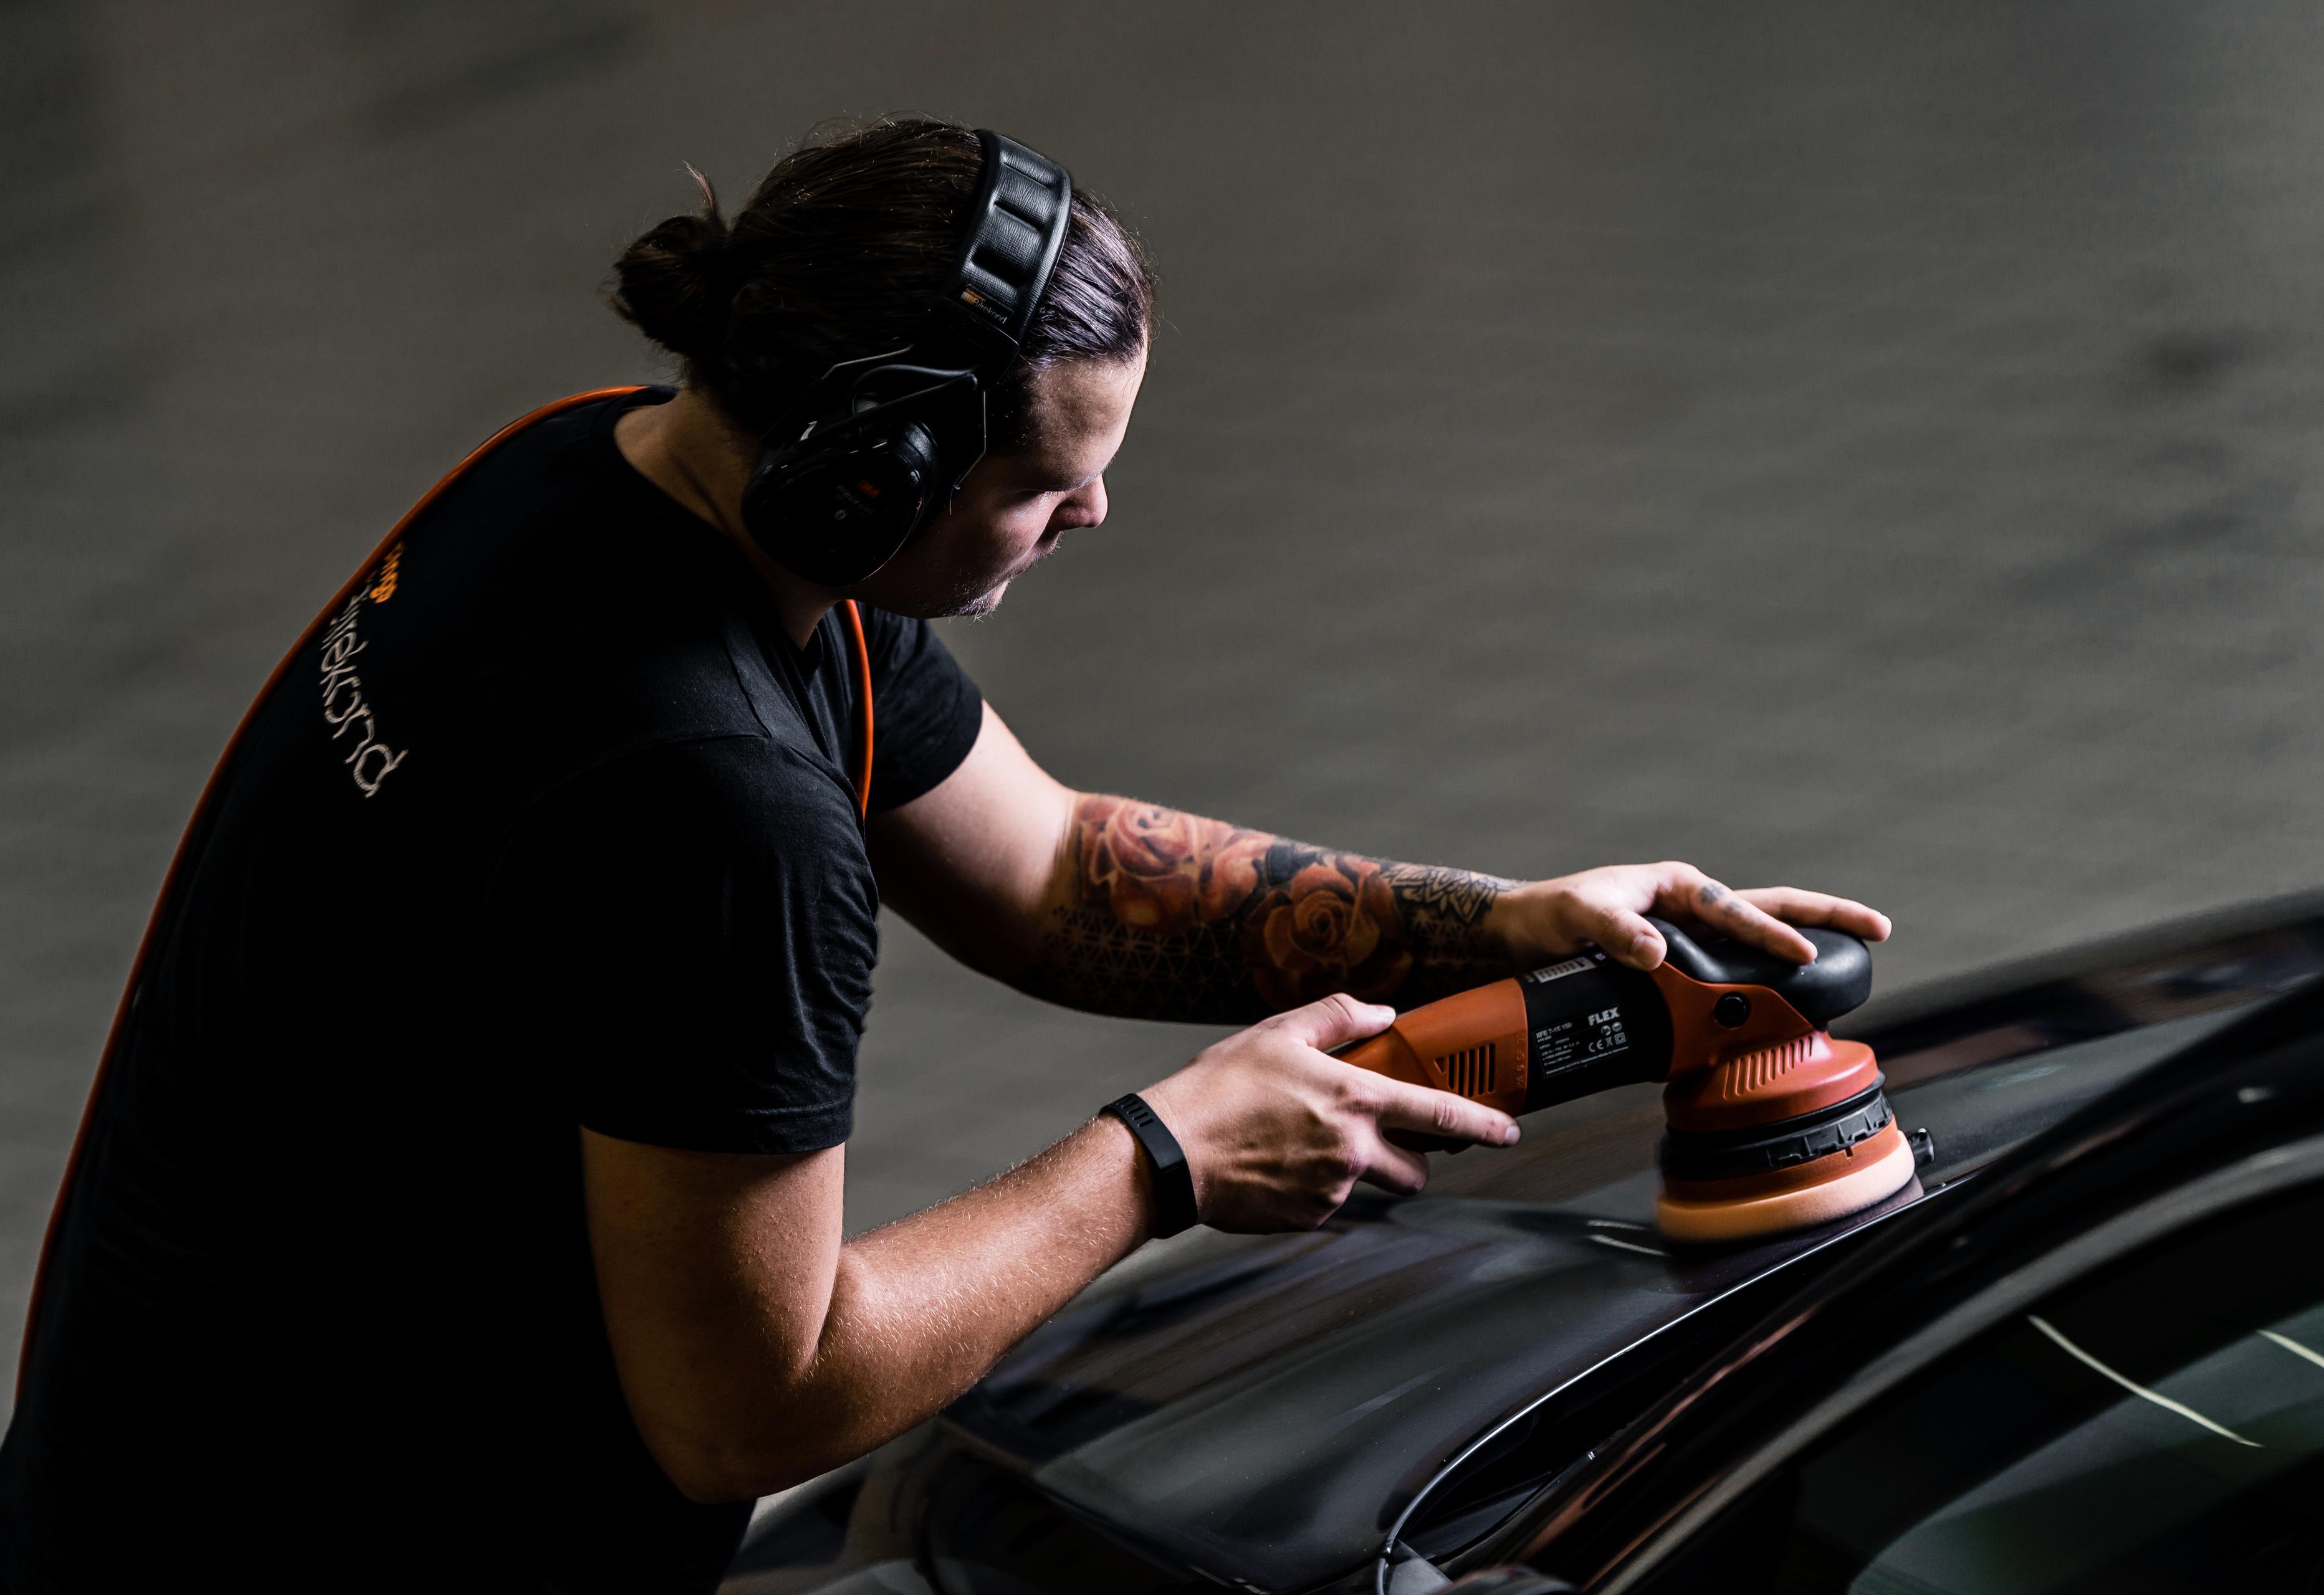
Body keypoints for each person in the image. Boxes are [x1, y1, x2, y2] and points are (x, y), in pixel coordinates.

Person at [0, 118, 1888, 1591]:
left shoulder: (596, 475)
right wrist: (1164, 1159)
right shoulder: (708, 801)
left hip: (146, 1482)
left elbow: (1049, 864)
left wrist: (1500, 925)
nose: (1097, 512)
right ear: (870, 472)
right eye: (1047, 481)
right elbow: (750, 1406)